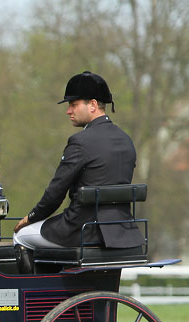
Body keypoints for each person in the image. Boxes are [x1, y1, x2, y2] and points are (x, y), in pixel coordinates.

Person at [14, 71, 144, 259]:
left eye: (73, 105)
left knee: (20, 236)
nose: (68, 111)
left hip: (82, 229)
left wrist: (31, 217)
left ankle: (45, 288)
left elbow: (55, 193)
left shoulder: (81, 142)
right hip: (122, 231)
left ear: (92, 105)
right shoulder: (126, 140)